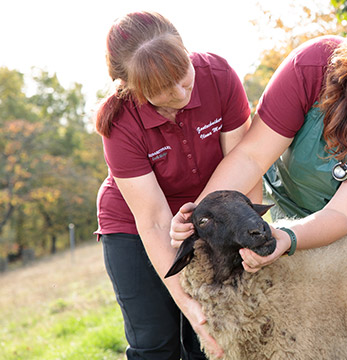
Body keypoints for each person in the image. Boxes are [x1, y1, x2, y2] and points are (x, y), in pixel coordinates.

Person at [171, 19, 347, 274]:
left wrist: (288, 237)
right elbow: (252, 158)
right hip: (296, 206)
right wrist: (199, 216)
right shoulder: (312, 65)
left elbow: (342, 214)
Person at [94, 11, 258, 359]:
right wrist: (187, 305)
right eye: (163, 91)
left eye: (184, 78)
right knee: (156, 342)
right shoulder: (119, 122)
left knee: (208, 341)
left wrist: (250, 243)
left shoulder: (218, 76)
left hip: (209, 215)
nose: (182, 93)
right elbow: (153, 219)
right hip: (137, 226)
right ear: (131, 88)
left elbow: (245, 170)